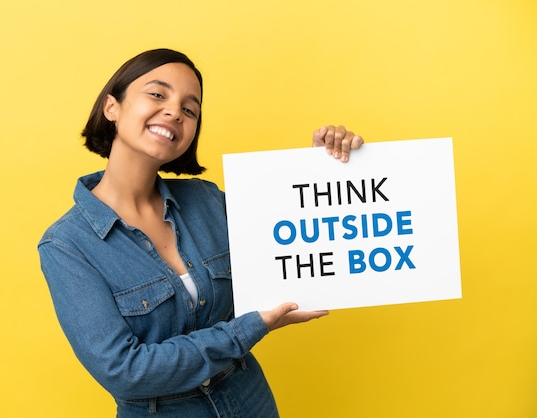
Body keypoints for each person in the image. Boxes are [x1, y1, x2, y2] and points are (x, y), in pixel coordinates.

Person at [38, 48, 363, 417]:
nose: (175, 112)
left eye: (190, 109)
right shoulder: (67, 245)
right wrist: (248, 329)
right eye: (158, 94)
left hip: (249, 401)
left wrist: (323, 169)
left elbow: (299, 236)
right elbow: (124, 372)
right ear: (112, 107)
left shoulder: (209, 201)